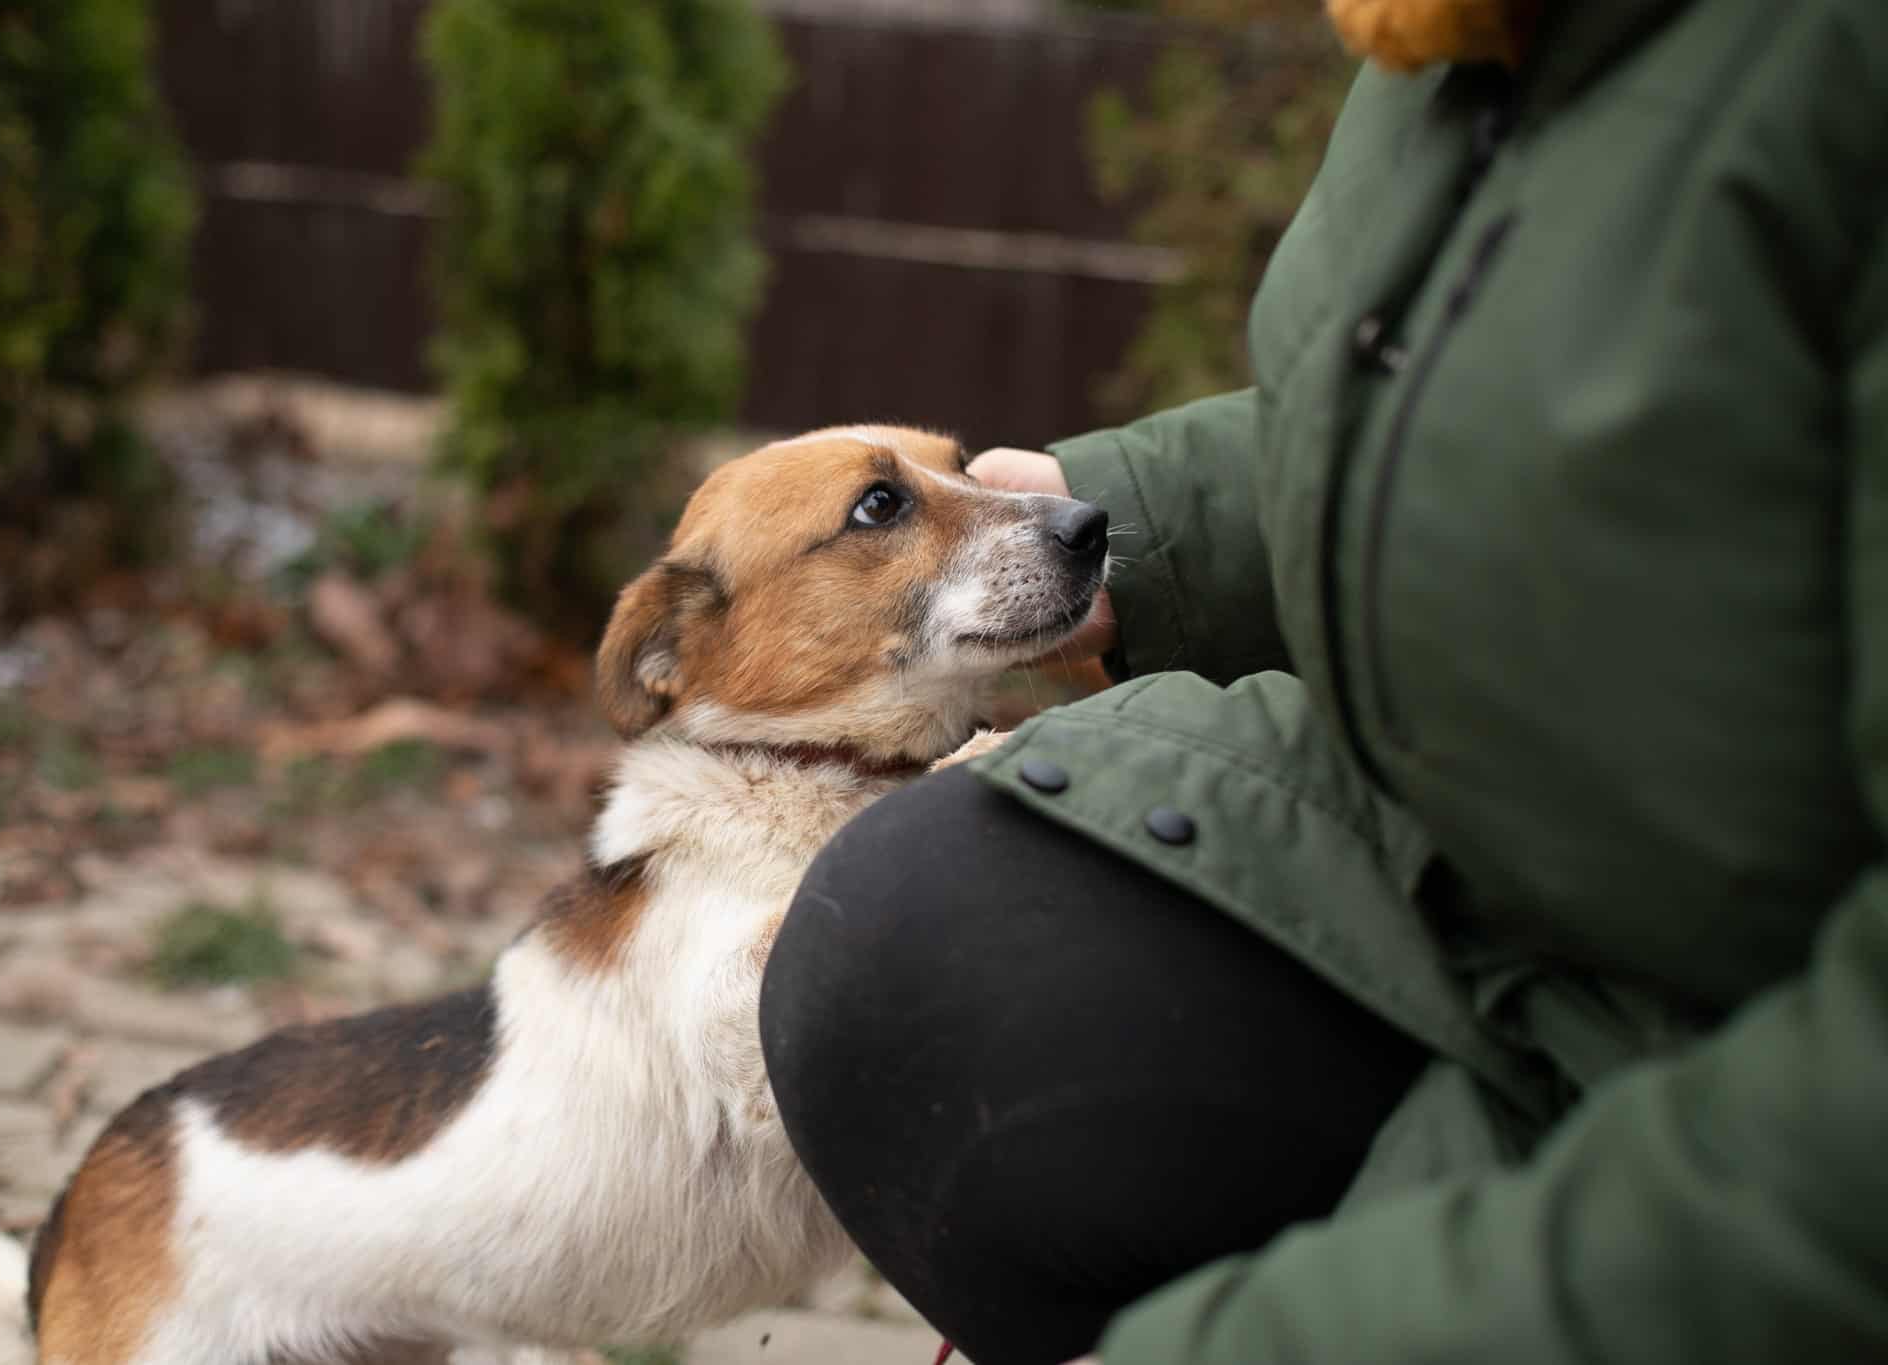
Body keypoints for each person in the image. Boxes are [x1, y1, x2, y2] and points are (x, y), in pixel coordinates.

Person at [755, 1, 1888, 1362]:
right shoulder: (1452, 27)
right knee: (928, 934)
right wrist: (1153, 526)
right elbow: (1498, 412)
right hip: (1495, 889)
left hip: (1759, 1058)